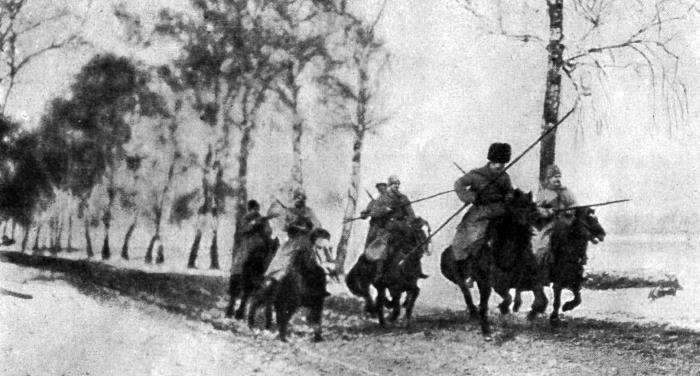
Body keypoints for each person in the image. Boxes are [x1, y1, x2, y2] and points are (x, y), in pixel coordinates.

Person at [451, 143, 514, 262]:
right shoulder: (475, 175)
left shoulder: (504, 177)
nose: (499, 166)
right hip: (481, 212)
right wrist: (471, 197)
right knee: (474, 237)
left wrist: (509, 197)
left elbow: (509, 191)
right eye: (496, 162)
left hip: (501, 210)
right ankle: (469, 266)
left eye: (502, 163)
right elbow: (458, 185)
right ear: (491, 161)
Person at [263, 189, 321, 283]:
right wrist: (292, 224)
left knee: (314, 260)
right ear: (295, 198)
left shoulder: (309, 211)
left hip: (306, 239)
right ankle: (272, 278)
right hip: (293, 239)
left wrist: (307, 226)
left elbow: (316, 225)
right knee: (282, 256)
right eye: (298, 197)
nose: (300, 199)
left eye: (302, 198)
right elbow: (284, 227)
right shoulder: (289, 211)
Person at [531, 164, 577, 265]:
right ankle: (542, 262)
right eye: (554, 177)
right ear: (548, 179)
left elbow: (574, 203)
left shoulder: (566, 191)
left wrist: (570, 210)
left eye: (559, 176)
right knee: (543, 244)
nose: (557, 179)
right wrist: (548, 212)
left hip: (566, 221)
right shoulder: (544, 193)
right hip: (550, 223)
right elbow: (538, 208)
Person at [230, 200, 273, 277]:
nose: (256, 211)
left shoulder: (262, 219)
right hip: (248, 245)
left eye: (257, 209)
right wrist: (255, 224)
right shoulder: (247, 218)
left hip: (259, 244)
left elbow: (268, 231)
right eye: (254, 209)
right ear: (250, 209)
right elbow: (244, 229)